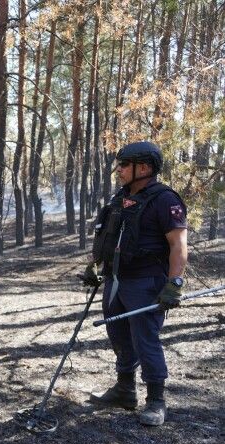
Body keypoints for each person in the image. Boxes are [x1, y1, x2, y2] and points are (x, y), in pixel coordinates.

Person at [83, 141, 188, 426]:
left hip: (146, 282)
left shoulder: (165, 200)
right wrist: (93, 267)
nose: (119, 170)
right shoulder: (121, 198)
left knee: (145, 340)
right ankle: (125, 390)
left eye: (124, 165)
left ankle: (156, 400)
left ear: (144, 168)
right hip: (116, 279)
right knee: (118, 335)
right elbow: (109, 237)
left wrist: (174, 283)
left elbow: (178, 245)